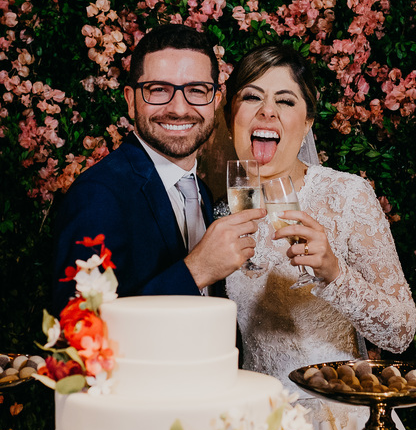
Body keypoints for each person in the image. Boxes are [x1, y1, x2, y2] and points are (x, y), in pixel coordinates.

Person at [222, 43, 416, 430]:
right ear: (233, 117)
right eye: (252, 97)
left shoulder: (344, 194)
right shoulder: (220, 209)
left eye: (286, 100)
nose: (267, 110)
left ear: (308, 122)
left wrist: (333, 270)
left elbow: (401, 330)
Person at [50, 24, 265, 310]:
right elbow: (77, 330)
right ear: (131, 100)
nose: (178, 108)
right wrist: (195, 271)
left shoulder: (201, 191)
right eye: (159, 89)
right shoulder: (97, 196)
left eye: (197, 90)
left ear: (215, 101)